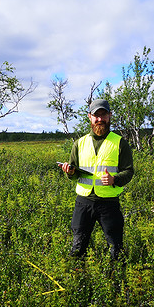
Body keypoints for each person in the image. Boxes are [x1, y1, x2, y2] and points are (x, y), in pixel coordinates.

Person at [60, 99, 134, 261]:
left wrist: (115, 179)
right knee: (78, 247)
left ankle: (118, 282)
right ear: (90, 117)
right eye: (96, 115)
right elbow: (74, 173)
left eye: (104, 115)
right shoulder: (79, 143)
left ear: (110, 116)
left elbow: (129, 171)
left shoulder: (120, 143)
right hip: (83, 202)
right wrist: (69, 172)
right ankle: (78, 279)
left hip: (109, 203)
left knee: (116, 248)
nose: (100, 119)